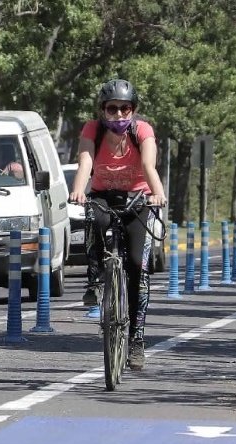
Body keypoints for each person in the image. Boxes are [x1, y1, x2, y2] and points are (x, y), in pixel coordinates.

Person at [67, 79, 167, 370]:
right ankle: (96, 280)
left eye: (125, 109)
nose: (119, 115)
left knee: (137, 265)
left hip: (138, 199)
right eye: (113, 109)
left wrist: (157, 195)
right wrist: (77, 190)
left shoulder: (142, 131)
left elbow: (149, 166)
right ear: (103, 110)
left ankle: (136, 338)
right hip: (103, 196)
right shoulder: (92, 130)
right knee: (94, 220)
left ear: (133, 110)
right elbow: (85, 163)